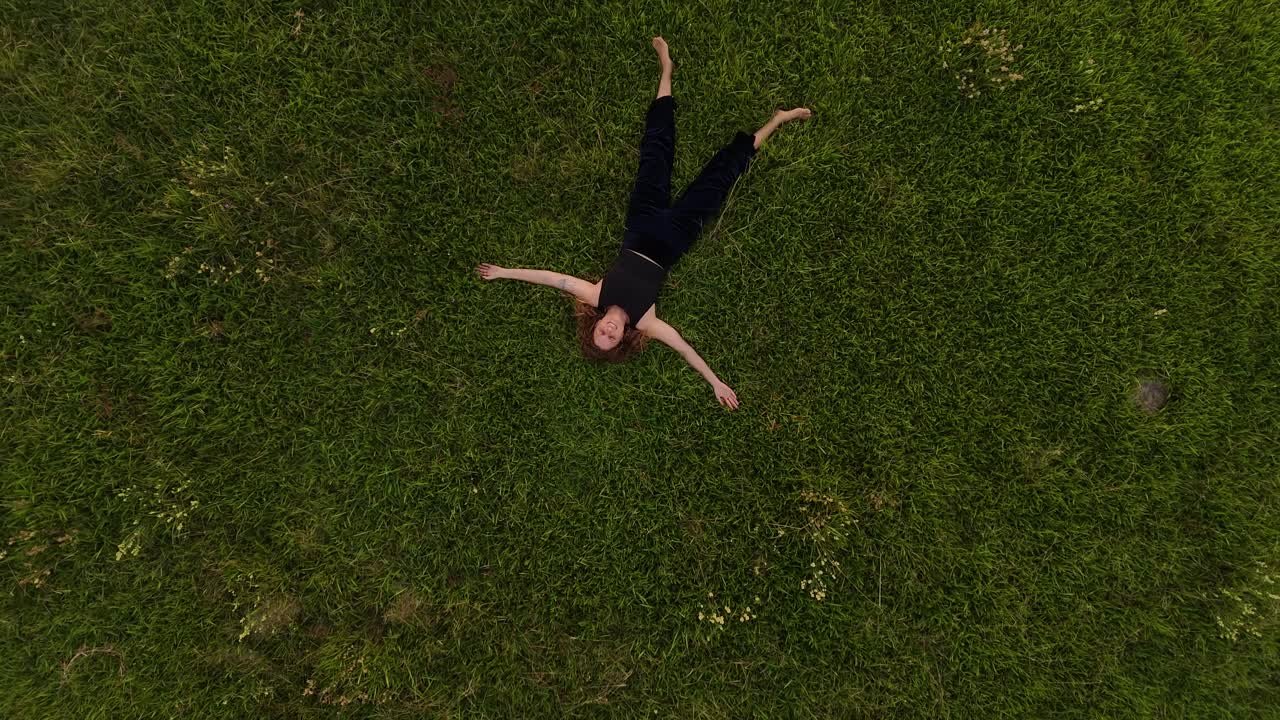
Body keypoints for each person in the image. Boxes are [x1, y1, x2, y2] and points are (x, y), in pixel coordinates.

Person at [477, 36, 812, 411]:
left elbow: (550, 277)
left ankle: (666, 69)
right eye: (611, 339)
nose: (607, 331)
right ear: (623, 338)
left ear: (597, 324)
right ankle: (777, 120)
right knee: (720, 178)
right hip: (675, 238)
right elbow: (685, 348)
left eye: (600, 333)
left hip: (641, 221)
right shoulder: (647, 321)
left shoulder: (595, 295)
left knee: (656, 149)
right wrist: (714, 381)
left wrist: (505, 271)